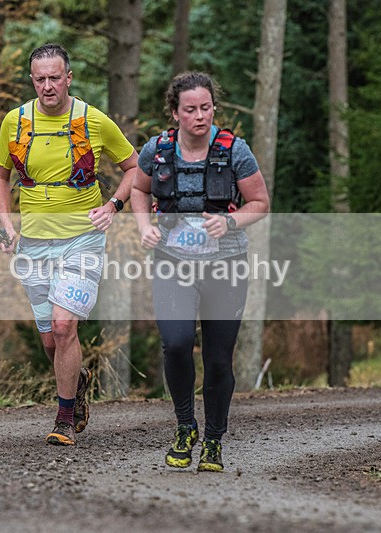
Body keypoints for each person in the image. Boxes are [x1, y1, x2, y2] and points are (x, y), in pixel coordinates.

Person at [0, 44, 138, 446]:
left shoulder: (92, 120)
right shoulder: (15, 121)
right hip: (33, 242)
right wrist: (7, 226)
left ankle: (64, 419)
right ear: (32, 80)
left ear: (68, 78)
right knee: (50, 340)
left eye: (55, 78)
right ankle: (79, 379)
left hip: (82, 238)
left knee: (63, 325)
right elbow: (0, 177)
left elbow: (134, 167)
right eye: (40, 79)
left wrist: (114, 205)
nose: (47, 86)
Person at [130, 72, 270, 471]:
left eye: (206, 108)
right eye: (190, 109)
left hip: (225, 265)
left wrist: (230, 221)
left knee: (218, 358)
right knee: (175, 343)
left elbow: (260, 202)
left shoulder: (235, 151)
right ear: (175, 113)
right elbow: (139, 189)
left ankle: (213, 440)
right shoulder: (157, 150)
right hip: (173, 262)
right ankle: (185, 426)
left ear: (213, 109)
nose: (199, 116)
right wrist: (144, 226)